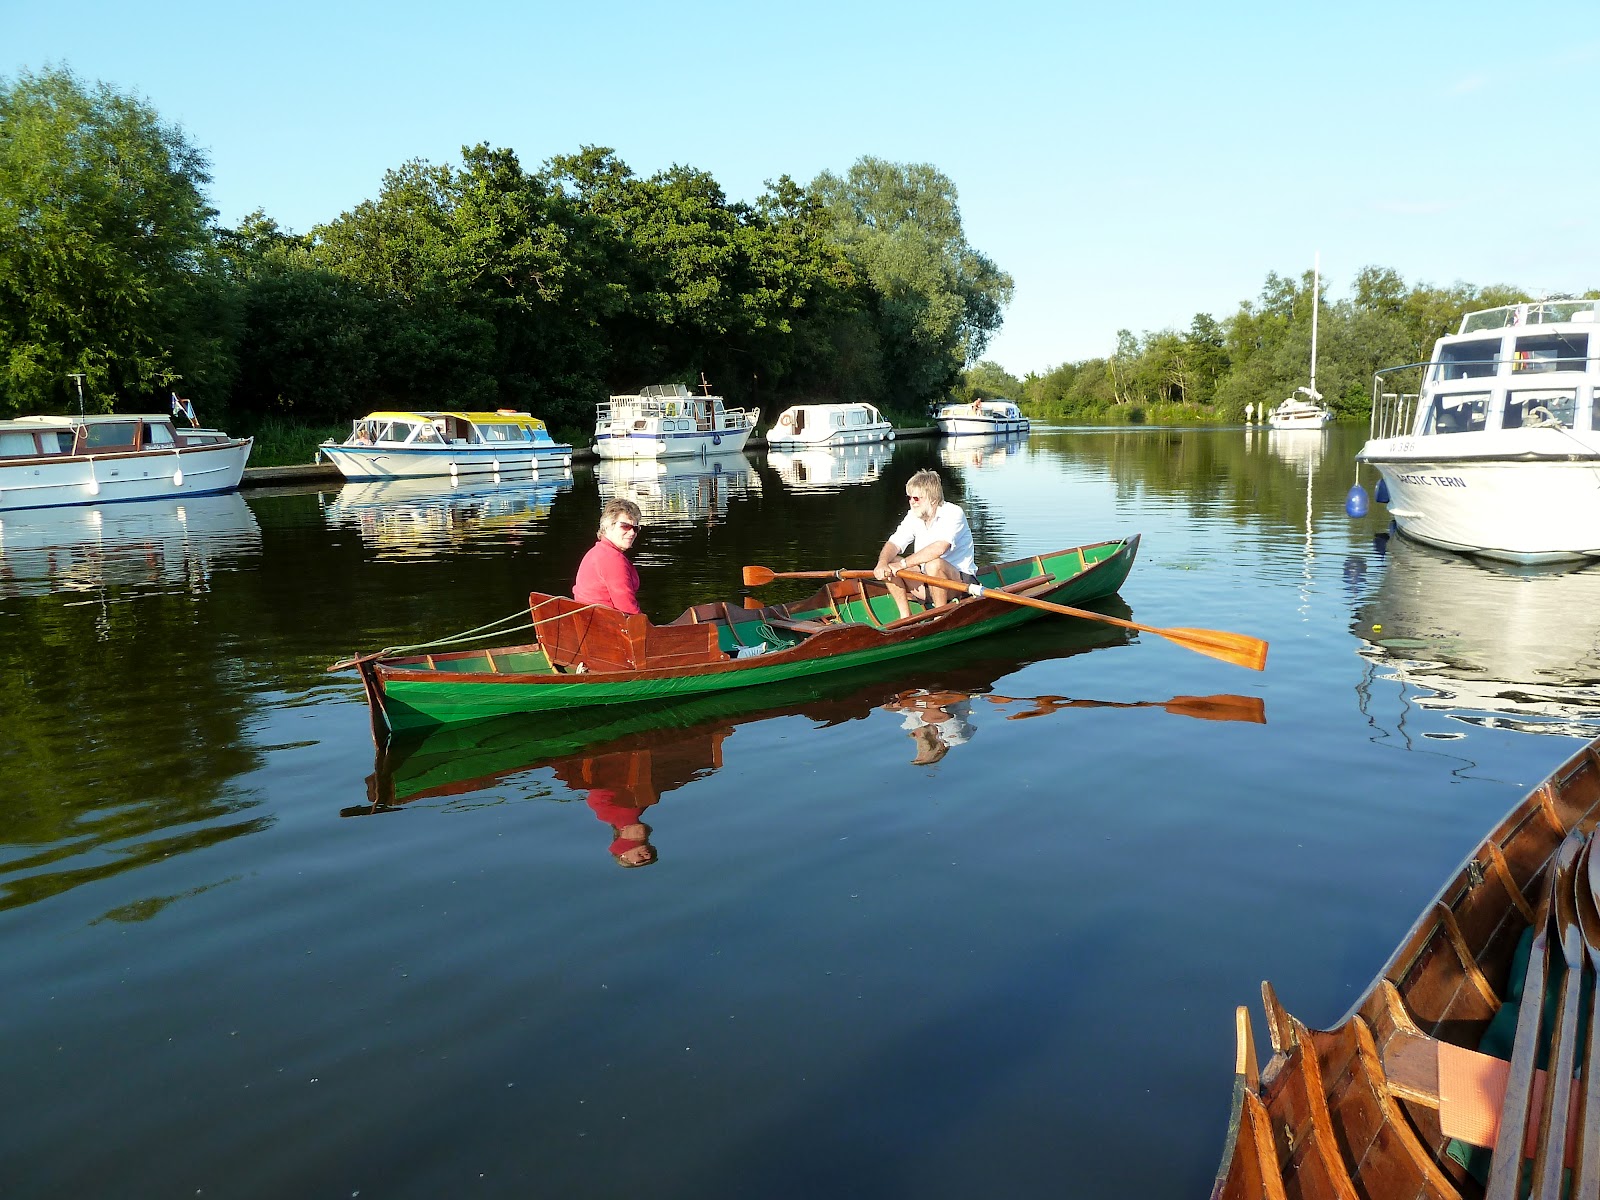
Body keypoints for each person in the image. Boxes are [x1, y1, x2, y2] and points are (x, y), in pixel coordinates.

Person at [873, 468, 977, 620]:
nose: (911, 502)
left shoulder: (954, 513)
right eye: (909, 498)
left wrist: (903, 565)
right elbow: (894, 543)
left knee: (934, 564)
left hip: (959, 584)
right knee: (890, 561)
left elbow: (940, 548)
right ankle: (905, 617)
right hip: (927, 580)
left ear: (932, 499)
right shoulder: (913, 516)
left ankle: (940, 616)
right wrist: (882, 563)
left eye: (916, 498)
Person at [574, 497, 643, 614]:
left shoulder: (596, 552)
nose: (632, 533)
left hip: (591, 623)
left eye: (635, 528)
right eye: (625, 526)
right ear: (608, 526)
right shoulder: (613, 559)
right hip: (610, 628)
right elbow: (628, 608)